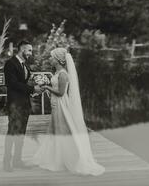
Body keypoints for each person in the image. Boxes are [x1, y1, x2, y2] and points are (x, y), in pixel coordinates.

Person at [32, 47, 105, 176]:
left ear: (58, 60)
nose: (50, 59)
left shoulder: (63, 74)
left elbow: (60, 93)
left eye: (52, 57)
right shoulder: (57, 73)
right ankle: (57, 158)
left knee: (63, 129)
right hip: (55, 104)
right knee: (55, 129)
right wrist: (46, 86)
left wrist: (47, 87)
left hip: (61, 104)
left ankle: (71, 157)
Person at [3, 40, 42, 172]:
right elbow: (12, 84)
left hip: (24, 104)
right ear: (22, 49)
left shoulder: (24, 65)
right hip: (15, 105)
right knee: (12, 133)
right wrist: (32, 89)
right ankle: (6, 162)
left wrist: (36, 84)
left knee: (21, 133)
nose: (31, 53)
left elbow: (25, 81)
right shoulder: (10, 64)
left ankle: (17, 160)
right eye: (29, 50)